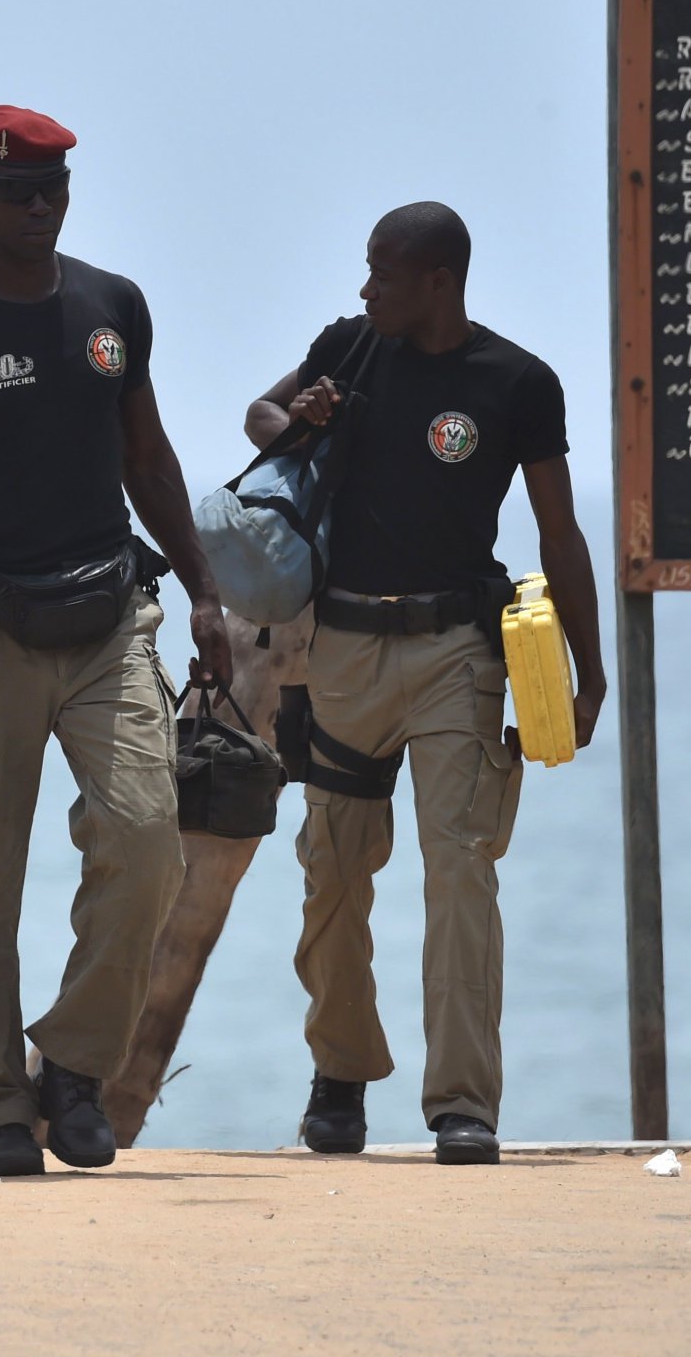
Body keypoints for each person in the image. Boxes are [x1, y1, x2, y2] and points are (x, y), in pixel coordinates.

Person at [0, 105, 233, 1178]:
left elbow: (149, 455)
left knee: (144, 838)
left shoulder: (110, 309)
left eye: (55, 187)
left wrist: (209, 593)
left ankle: (73, 1069)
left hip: (108, 617)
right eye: (18, 190)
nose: (40, 206)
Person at [244, 200, 605, 1166]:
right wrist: (300, 416)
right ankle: (342, 1077)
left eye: (384, 274)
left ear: (439, 280)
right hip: (346, 654)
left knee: (460, 872)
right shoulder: (350, 347)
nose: (367, 291)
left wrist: (591, 670)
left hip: (458, 654)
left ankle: (462, 1105)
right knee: (332, 871)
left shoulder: (518, 382)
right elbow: (260, 416)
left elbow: (560, 533)